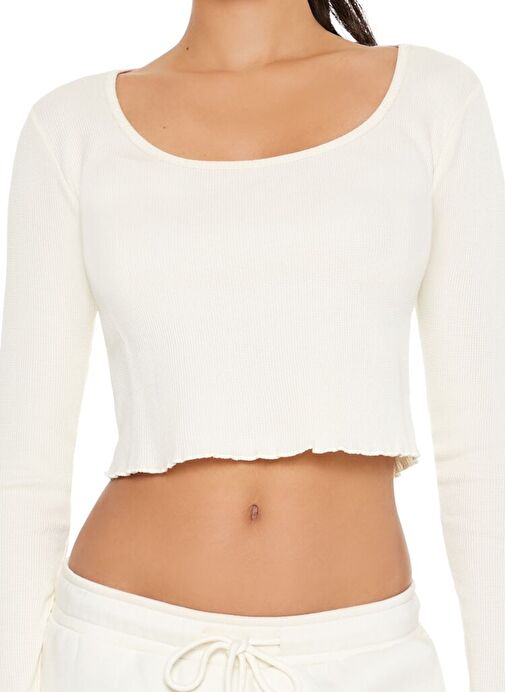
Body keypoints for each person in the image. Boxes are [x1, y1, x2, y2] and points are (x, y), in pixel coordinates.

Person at [1, 1, 504, 691]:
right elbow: (23, 471)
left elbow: (484, 451)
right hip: (121, 649)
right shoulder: (69, 129)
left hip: (358, 661)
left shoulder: (433, 102)